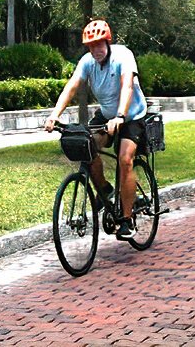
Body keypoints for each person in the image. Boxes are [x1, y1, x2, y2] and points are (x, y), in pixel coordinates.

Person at [43, 19, 148, 238]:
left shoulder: (123, 56)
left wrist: (120, 116)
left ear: (108, 42)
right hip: (107, 114)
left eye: (99, 44)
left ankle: (127, 220)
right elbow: (71, 86)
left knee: (125, 159)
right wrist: (55, 115)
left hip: (131, 115)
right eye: (91, 46)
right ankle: (106, 191)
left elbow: (127, 86)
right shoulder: (87, 62)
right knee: (86, 147)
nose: (96, 50)